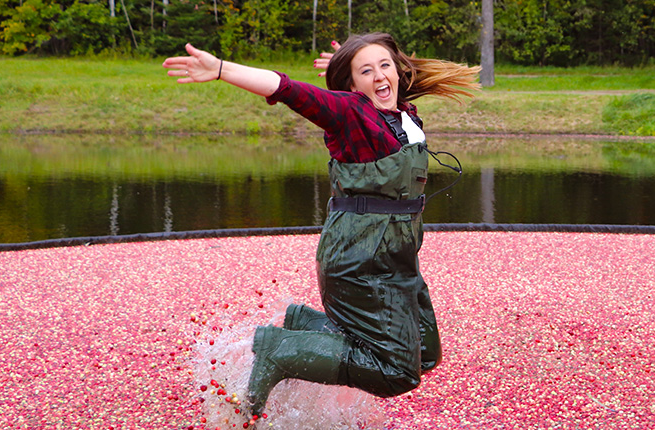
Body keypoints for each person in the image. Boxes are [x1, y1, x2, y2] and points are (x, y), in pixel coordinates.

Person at [163, 33, 480, 419]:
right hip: (360, 261)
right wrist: (221, 70)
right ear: (351, 86)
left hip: (397, 257)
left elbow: (384, 78)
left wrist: (354, 62)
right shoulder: (350, 114)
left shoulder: (402, 113)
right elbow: (289, 89)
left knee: (424, 353)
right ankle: (280, 352)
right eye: (366, 71)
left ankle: (303, 323)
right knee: (397, 371)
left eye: (385, 66)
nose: (380, 76)